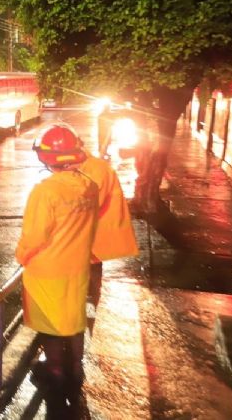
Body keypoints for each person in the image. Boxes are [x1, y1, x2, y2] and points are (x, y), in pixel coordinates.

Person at [17, 123, 138, 391]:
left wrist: (22, 256)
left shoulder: (45, 191)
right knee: (74, 320)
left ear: (45, 158)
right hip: (78, 267)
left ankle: (55, 370)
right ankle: (74, 369)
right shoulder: (89, 186)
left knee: (49, 325)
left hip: (47, 271)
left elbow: (34, 238)